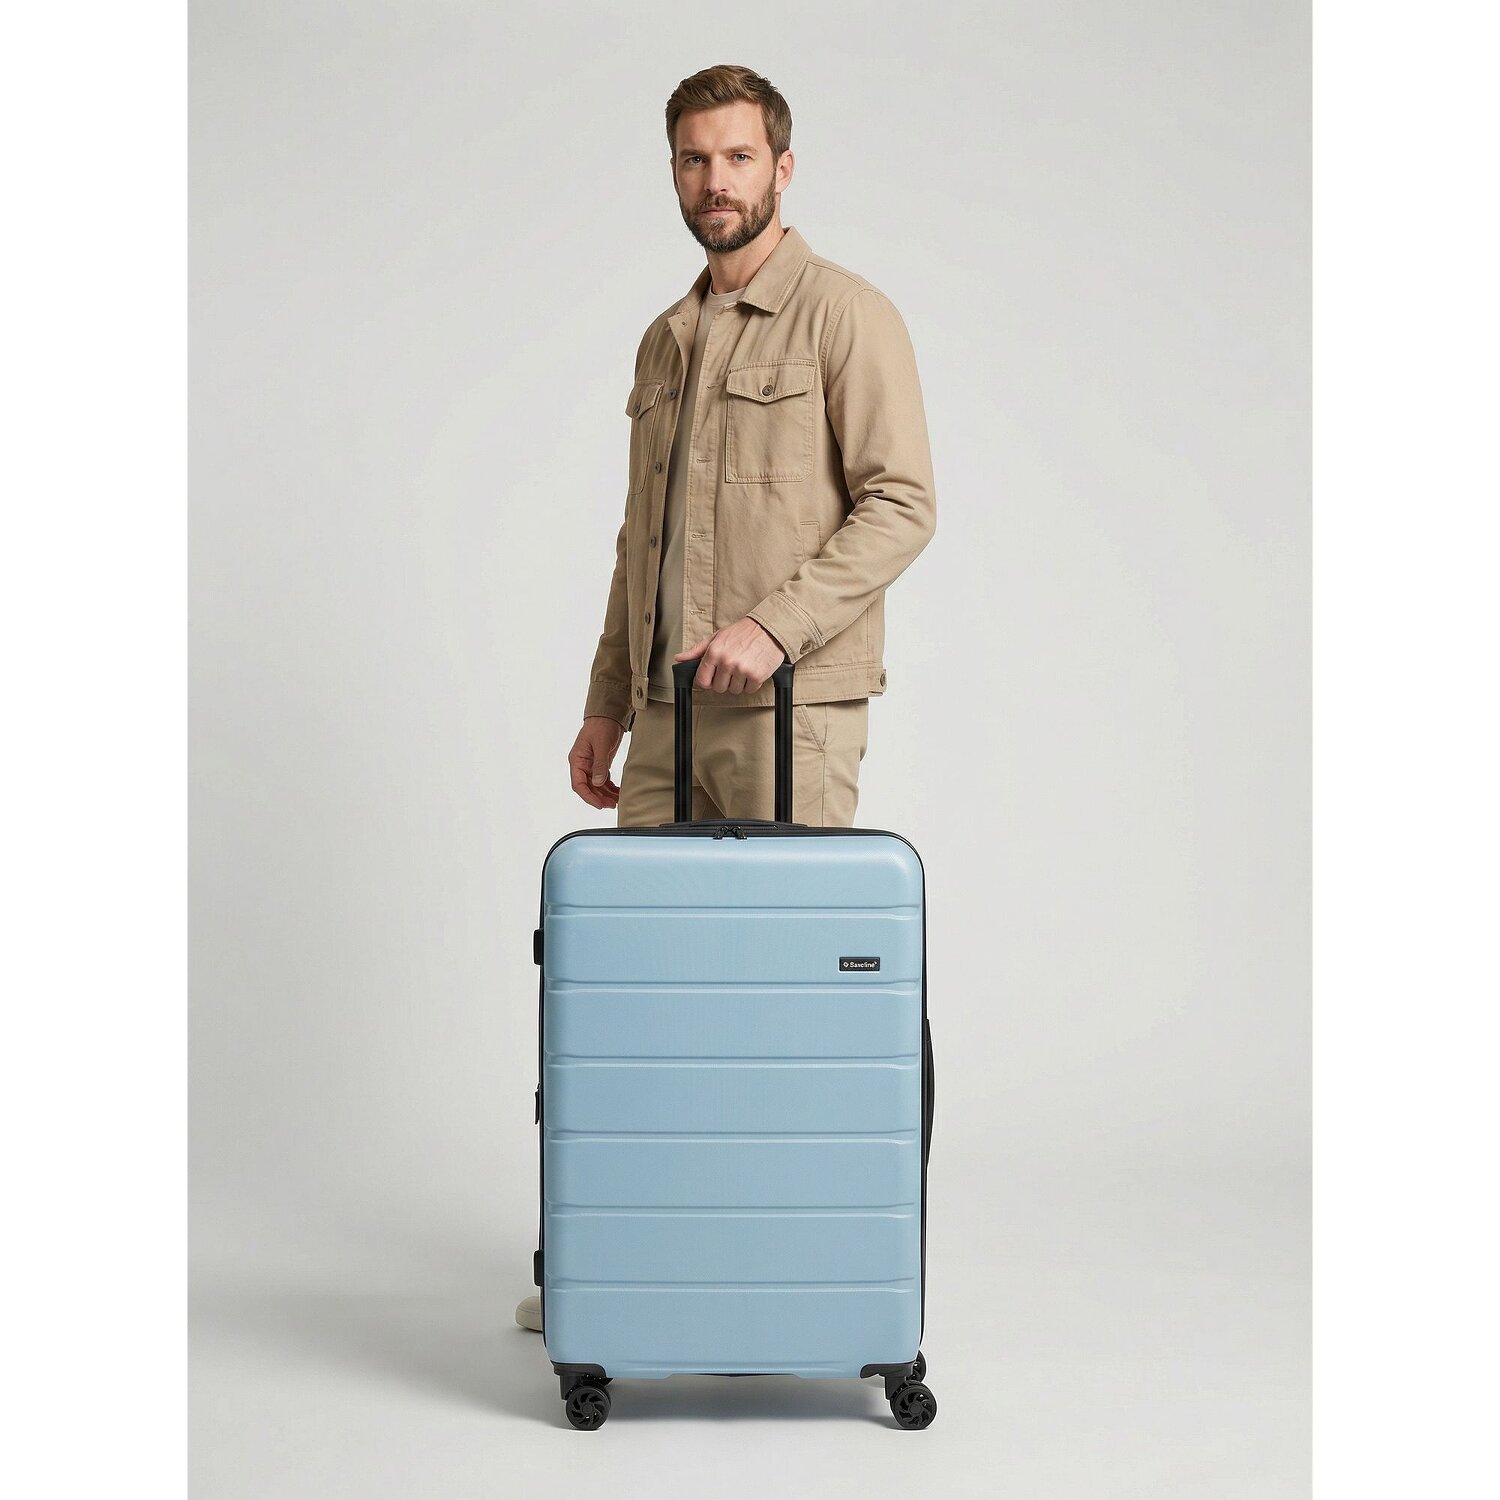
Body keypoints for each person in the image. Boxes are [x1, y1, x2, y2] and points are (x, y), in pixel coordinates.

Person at [517, 63, 936, 1333]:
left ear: (783, 167)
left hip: (787, 718)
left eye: (739, 157)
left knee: (780, 1010)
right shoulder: (666, 340)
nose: (716, 182)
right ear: (675, 172)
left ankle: (793, 1282)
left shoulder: (846, 317)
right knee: (641, 1005)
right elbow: (637, 543)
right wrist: (607, 701)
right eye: (695, 160)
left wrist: (773, 625)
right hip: (666, 719)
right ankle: (631, 1270)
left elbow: (903, 504)